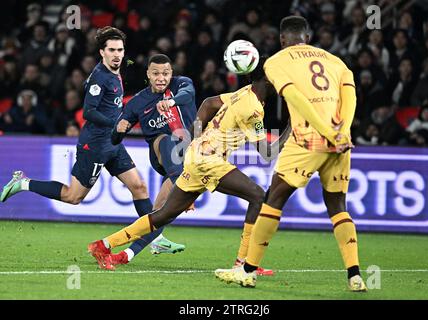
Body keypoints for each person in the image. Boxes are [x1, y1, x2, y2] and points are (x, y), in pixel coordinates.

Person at [87, 58, 292, 272]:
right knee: (259, 196)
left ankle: (103, 245)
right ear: (268, 80)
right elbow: (267, 154)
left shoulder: (243, 92)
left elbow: (208, 103)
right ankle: (243, 264)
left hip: (196, 156)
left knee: (164, 215)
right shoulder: (252, 109)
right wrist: (291, 127)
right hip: (209, 161)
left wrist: (195, 138)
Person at [215, 15, 366, 292]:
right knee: (338, 206)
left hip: (308, 140)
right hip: (341, 141)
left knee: (274, 199)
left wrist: (325, 131)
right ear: (307, 37)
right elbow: (351, 97)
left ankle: (247, 271)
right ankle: (354, 275)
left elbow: (296, 96)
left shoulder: (275, 62)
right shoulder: (336, 61)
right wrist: (341, 132)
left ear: (282, 40)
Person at [0, 26, 181, 256]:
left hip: (113, 144)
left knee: (139, 187)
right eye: (112, 50)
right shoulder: (100, 77)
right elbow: (88, 111)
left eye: (120, 50)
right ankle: (23, 183)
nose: (117, 54)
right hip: (94, 145)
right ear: (102, 53)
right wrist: (115, 124)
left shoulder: (117, 70)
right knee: (73, 197)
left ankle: (156, 239)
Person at [107, 53, 197, 266]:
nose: (161, 78)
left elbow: (188, 93)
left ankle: (127, 255)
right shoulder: (138, 102)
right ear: (148, 74)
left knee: (159, 215)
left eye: (165, 73)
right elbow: (114, 137)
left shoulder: (182, 84)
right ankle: (182, 182)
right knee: (165, 139)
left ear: (171, 73)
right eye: (156, 73)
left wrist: (171, 101)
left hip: (189, 158)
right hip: (162, 155)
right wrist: (119, 131)